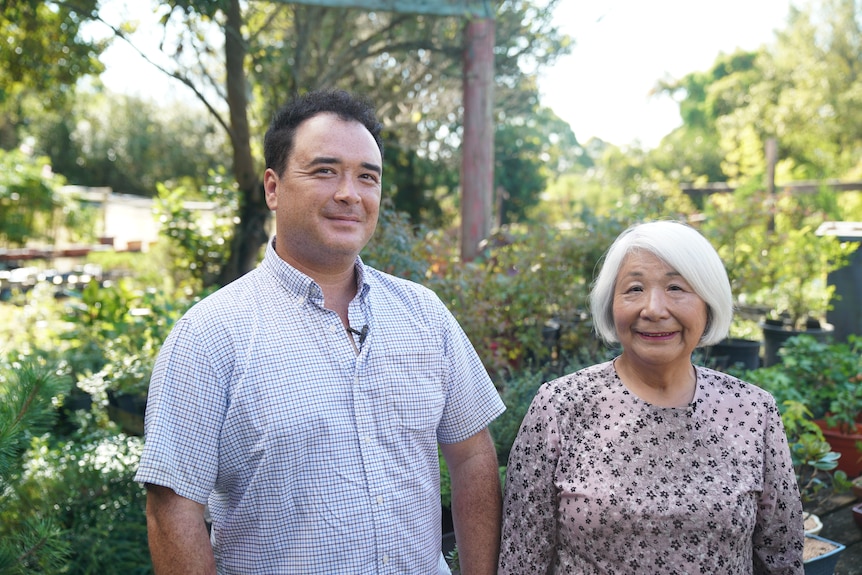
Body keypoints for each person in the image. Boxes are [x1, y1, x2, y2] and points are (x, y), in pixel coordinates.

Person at [135, 89, 506, 574]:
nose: (349, 193)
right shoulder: (209, 336)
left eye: (366, 177)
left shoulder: (425, 315)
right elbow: (171, 507)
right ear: (273, 187)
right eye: (325, 170)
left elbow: (473, 456)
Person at [498, 220, 804, 574]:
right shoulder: (560, 406)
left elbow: (782, 557)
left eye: (676, 287)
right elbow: (522, 560)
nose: (654, 309)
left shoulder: (752, 411)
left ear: (708, 303)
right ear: (611, 303)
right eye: (634, 289)